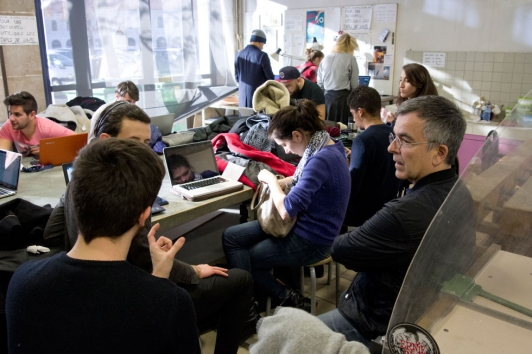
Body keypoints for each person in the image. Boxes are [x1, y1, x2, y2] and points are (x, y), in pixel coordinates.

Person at [44, 101, 256, 354]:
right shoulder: (129, 197)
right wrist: (193, 271)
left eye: (146, 143)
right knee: (240, 280)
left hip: (89, 288)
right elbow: (142, 261)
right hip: (130, 298)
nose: (145, 151)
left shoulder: (76, 183)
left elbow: (52, 234)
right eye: (135, 142)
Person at [7, 138, 201, 353]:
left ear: (76, 200)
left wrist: (157, 285)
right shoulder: (170, 303)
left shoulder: (22, 281)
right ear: (144, 216)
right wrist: (160, 285)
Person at [318, 95, 468, 347]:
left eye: (405, 140)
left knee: (287, 333)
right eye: (393, 136)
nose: (392, 148)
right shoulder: (457, 188)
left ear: (439, 153)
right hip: (411, 304)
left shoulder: (405, 212)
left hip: (373, 321)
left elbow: (341, 249)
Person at [222, 100, 350, 311]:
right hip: (308, 227)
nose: (286, 151)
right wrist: (284, 182)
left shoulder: (319, 159)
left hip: (313, 239)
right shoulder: (329, 145)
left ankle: (266, 302)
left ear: (297, 135)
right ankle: (252, 299)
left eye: (284, 144)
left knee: (248, 259)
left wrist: (272, 180)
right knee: (231, 236)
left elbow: (286, 211)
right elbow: (308, 179)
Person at [344, 86, 399, 227]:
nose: (354, 119)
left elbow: (353, 186)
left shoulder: (363, 140)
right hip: (388, 207)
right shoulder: (393, 133)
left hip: (364, 213)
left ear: (360, 112)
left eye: (353, 113)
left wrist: (346, 165)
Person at [0, 91, 73, 157]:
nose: (11, 118)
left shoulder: (47, 127)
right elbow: (1, 156)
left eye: (17, 114)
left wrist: (49, 151)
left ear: (32, 115)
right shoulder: (8, 126)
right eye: (10, 113)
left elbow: (79, 142)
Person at [317, 33, 359, 125]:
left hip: (327, 98)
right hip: (343, 99)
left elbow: (319, 83)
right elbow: (354, 85)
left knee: (328, 126)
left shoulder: (325, 59)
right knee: (342, 128)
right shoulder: (351, 59)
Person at [234, 29, 275, 108]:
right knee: (256, 120)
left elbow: (237, 77)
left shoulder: (238, 54)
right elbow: (270, 78)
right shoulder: (262, 55)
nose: (262, 48)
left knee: (243, 119)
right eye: (263, 44)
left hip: (242, 97)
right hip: (257, 97)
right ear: (260, 42)